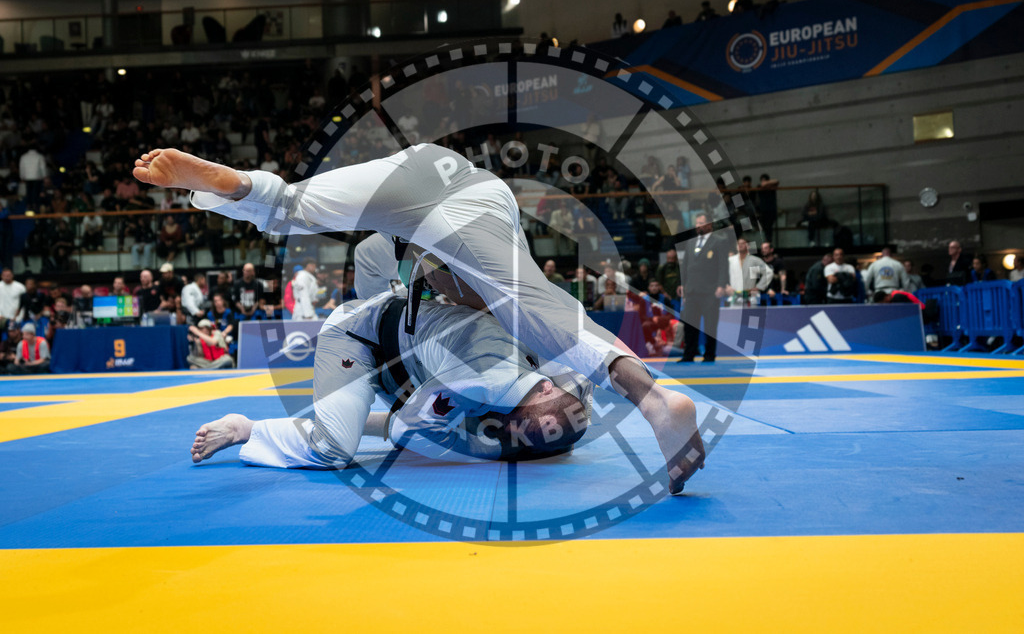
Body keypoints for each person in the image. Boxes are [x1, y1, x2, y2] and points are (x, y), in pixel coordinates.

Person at [135, 144, 705, 493]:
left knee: (292, 207)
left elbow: (394, 401)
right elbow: (541, 319)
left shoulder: (463, 400)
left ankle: (236, 186)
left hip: (428, 180)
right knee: (528, 310)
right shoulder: (498, 381)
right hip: (458, 220)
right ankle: (651, 399)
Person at [191, 291, 593, 468]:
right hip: (361, 336)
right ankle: (246, 428)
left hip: (419, 354)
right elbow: (403, 432)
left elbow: (569, 399)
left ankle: (337, 417)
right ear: (542, 387)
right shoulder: (479, 381)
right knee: (335, 450)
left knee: (506, 435)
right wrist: (480, 446)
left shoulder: (563, 374)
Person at [678, 213, 728, 362]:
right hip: (692, 290)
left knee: (710, 325)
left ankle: (709, 354)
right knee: (689, 324)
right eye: (697, 223)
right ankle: (689, 354)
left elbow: (723, 266)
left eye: (701, 223)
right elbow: (685, 266)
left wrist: (721, 285)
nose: (698, 226)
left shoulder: (719, 241)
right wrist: (682, 283)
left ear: (709, 225)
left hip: (710, 291)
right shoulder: (691, 243)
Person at [726, 237, 773, 306]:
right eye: (738, 243)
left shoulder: (755, 260)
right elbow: (721, 274)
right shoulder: (730, 260)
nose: (740, 245)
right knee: (734, 315)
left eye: (742, 243)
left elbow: (769, 272)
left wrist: (759, 287)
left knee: (752, 315)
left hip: (751, 294)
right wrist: (726, 286)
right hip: (734, 294)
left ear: (748, 246)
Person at [756, 173, 778, 243]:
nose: (763, 182)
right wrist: (764, 183)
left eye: (765, 180)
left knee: (769, 226)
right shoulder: (759, 187)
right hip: (763, 211)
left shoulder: (772, 187)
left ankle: (769, 242)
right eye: (762, 180)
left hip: (771, 210)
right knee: (765, 227)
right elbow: (762, 185)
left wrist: (767, 182)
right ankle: (767, 242)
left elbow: (777, 181)